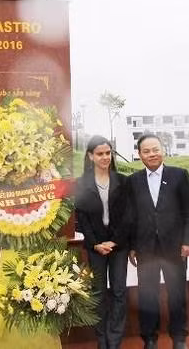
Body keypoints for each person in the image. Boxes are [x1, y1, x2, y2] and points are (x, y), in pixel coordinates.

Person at [128, 133, 189, 349]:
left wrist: (188, 241)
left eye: (155, 149)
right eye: (146, 151)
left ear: (163, 150)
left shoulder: (179, 175)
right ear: (139, 155)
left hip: (174, 246)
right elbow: (130, 216)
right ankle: (149, 336)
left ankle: (179, 336)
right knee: (148, 293)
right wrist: (131, 247)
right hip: (145, 247)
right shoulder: (133, 181)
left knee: (176, 291)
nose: (152, 154)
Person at [75, 135, 130, 349]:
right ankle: (102, 342)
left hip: (119, 246)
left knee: (118, 292)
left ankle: (114, 341)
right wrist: (96, 243)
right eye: (100, 154)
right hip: (95, 247)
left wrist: (114, 242)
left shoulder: (123, 181)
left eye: (108, 153)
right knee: (97, 293)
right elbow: (82, 218)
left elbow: (128, 216)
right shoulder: (81, 184)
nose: (105, 157)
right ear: (90, 156)